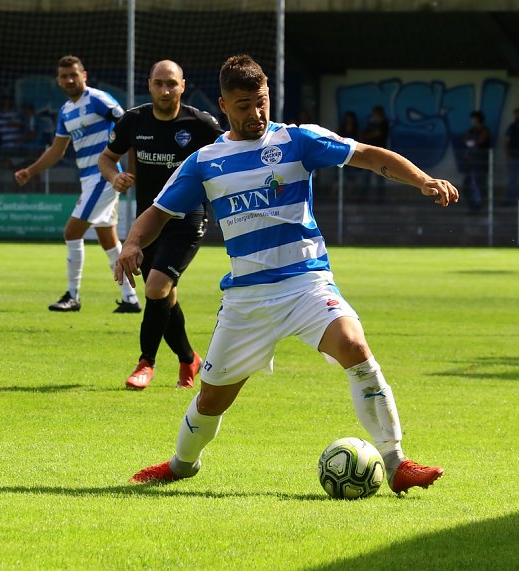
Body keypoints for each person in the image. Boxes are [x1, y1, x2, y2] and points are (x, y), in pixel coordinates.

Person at [117, 54, 455, 495]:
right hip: (247, 300)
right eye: (243, 105)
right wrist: (132, 243)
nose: (255, 114)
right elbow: (158, 212)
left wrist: (423, 180)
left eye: (261, 102)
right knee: (212, 398)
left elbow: (370, 156)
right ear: (223, 105)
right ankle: (182, 464)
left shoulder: (298, 141)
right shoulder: (205, 161)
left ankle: (395, 463)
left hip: (307, 285)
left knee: (354, 346)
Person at [99, 60, 222, 390]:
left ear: (183, 84)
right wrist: (115, 177)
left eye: (172, 83)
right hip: (148, 220)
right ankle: (188, 359)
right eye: (159, 83)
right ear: (149, 85)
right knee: (164, 294)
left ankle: (146, 363)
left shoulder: (201, 124)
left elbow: (231, 154)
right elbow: (106, 158)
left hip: (187, 218)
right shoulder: (133, 121)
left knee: (155, 288)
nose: (165, 90)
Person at [15, 55, 139, 313]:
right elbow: (57, 151)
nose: (70, 80)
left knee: (71, 232)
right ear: (58, 81)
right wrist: (30, 171)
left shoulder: (98, 99)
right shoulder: (65, 111)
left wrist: (130, 169)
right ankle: (130, 299)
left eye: (74, 74)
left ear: (84, 75)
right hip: (88, 180)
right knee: (108, 240)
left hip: (104, 177)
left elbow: (129, 126)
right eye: (64, 76)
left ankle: (72, 296)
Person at [461, 110, 491, 214]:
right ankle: (472, 206)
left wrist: (473, 143)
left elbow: (479, 141)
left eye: (474, 119)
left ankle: (478, 207)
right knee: (467, 185)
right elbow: (465, 139)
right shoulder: (471, 130)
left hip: (480, 163)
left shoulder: (484, 130)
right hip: (471, 164)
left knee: (478, 185)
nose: (472, 121)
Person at [360, 106, 389, 203]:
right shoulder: (371, 123)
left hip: (381, 154)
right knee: (366, 177)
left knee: (380, 177)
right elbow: (365, 134)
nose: (373, 115)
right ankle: (363, 197)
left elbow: (377, 134)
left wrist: (367, 135)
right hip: (369, 154)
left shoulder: (384, 123)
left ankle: (380, 199)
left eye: (375, 113)